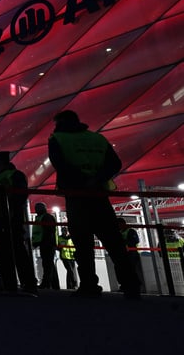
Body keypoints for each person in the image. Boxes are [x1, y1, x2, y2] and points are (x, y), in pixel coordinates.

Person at [47, 109, 140, 299]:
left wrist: (82, 180)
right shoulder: (97, 139)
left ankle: (90, 285)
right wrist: (97, 179)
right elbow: (115, 163)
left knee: (83, 244)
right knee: (114, 243)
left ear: (61, 124)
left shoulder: (58, 139)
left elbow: (60, 164)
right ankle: (131, 285)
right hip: (99, 195)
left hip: (77, 195)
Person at [0, 150, 37, 294]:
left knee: (17, 251)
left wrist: (12, 209)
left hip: (10, 220)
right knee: (2, 254)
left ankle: (28, 283)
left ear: (1, 161)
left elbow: (20, 196)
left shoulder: (13, 175)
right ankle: (9, 283)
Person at [32, 202, 60, 290]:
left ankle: (47, 283)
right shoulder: (42, 217)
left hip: (46, 243)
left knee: (47, 264)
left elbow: (48, 231)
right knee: (49, 264)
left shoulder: (45, 217)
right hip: (45, 243)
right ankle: (53, 284)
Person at [117, 219, 145, 293]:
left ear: (123, 224)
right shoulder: (119, 232)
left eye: (119, 224)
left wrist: (124, 241)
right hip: (124, 254)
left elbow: (135, 241)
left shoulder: (131, 231)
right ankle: (125, 286)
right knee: (123, 271)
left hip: (132, 254)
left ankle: (135, 286)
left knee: (132, 270)